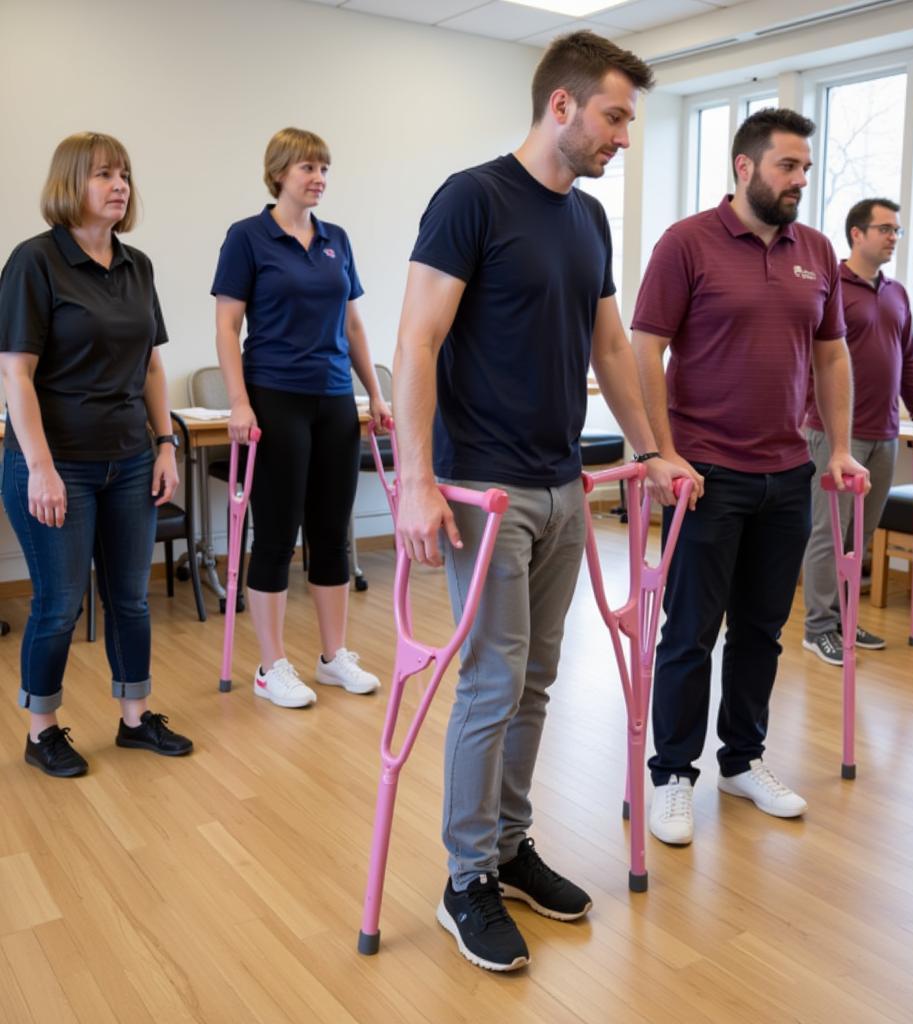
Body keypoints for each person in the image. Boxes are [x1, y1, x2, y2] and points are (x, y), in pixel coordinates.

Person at [393, 31, 688, 972]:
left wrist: (650, 451)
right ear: (560, 106)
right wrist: (414, 480)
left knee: (536, 681)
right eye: (614, 116)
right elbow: (418, 343)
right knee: (491, 681)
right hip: (484, 487)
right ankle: (465, 878)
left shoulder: (588, 220)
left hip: (563, 489)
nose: (623, 137)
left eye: (628, 121)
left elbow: (610, 348)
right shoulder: (470, 199)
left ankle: (509, 846)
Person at [631, 108, 868, 846]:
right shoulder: (687, 244)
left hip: (787, 471)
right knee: (691, 633)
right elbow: (645, 350)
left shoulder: (818, 250)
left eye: (805, 167)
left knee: (762, 631)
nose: (800, 180)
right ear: (745, 167)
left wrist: (837, 448)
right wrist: (662, 454)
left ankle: (741, 759)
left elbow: (831, 354)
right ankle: (672, 772)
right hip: (705, 474)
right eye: (787, 166)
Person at [0, 132, 193, 778]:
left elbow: (152, 368)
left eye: (125, 175)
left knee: (131, 597)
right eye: (104, 175)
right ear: (71, 184)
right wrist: (41, 467)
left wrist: (164, 444)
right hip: (59, 463)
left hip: (130, 459)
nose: (120, 185)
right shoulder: (34, 262)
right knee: (58, 603)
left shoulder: (137, 266)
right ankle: (41, 730)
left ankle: (136, 718)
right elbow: (16, 375)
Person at [212, 127, 389, 709]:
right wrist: (239, 401)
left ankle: (333, 656)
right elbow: (227, 327)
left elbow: (354, 325)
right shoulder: (248, 238)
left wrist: (375, 395)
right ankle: (271, 666)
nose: (318, 178)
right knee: (277, 532)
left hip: (335, 398)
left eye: (324, 169)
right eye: (308, 168)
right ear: (280, 172)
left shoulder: (336, 238)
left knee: (332, 530)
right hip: (276, 396)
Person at [802, 198, 913, 664]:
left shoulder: (897, 293)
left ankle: (844, 617)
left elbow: (909, 361)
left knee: (861, 534)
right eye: (884, 228)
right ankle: (817, 627)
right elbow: (810, 356)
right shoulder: (830, 284)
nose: (893, 237)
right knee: (830, 531)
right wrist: (805, 417)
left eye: (896, 229)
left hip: (884, 434)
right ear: (856, 234)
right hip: (837, 434)